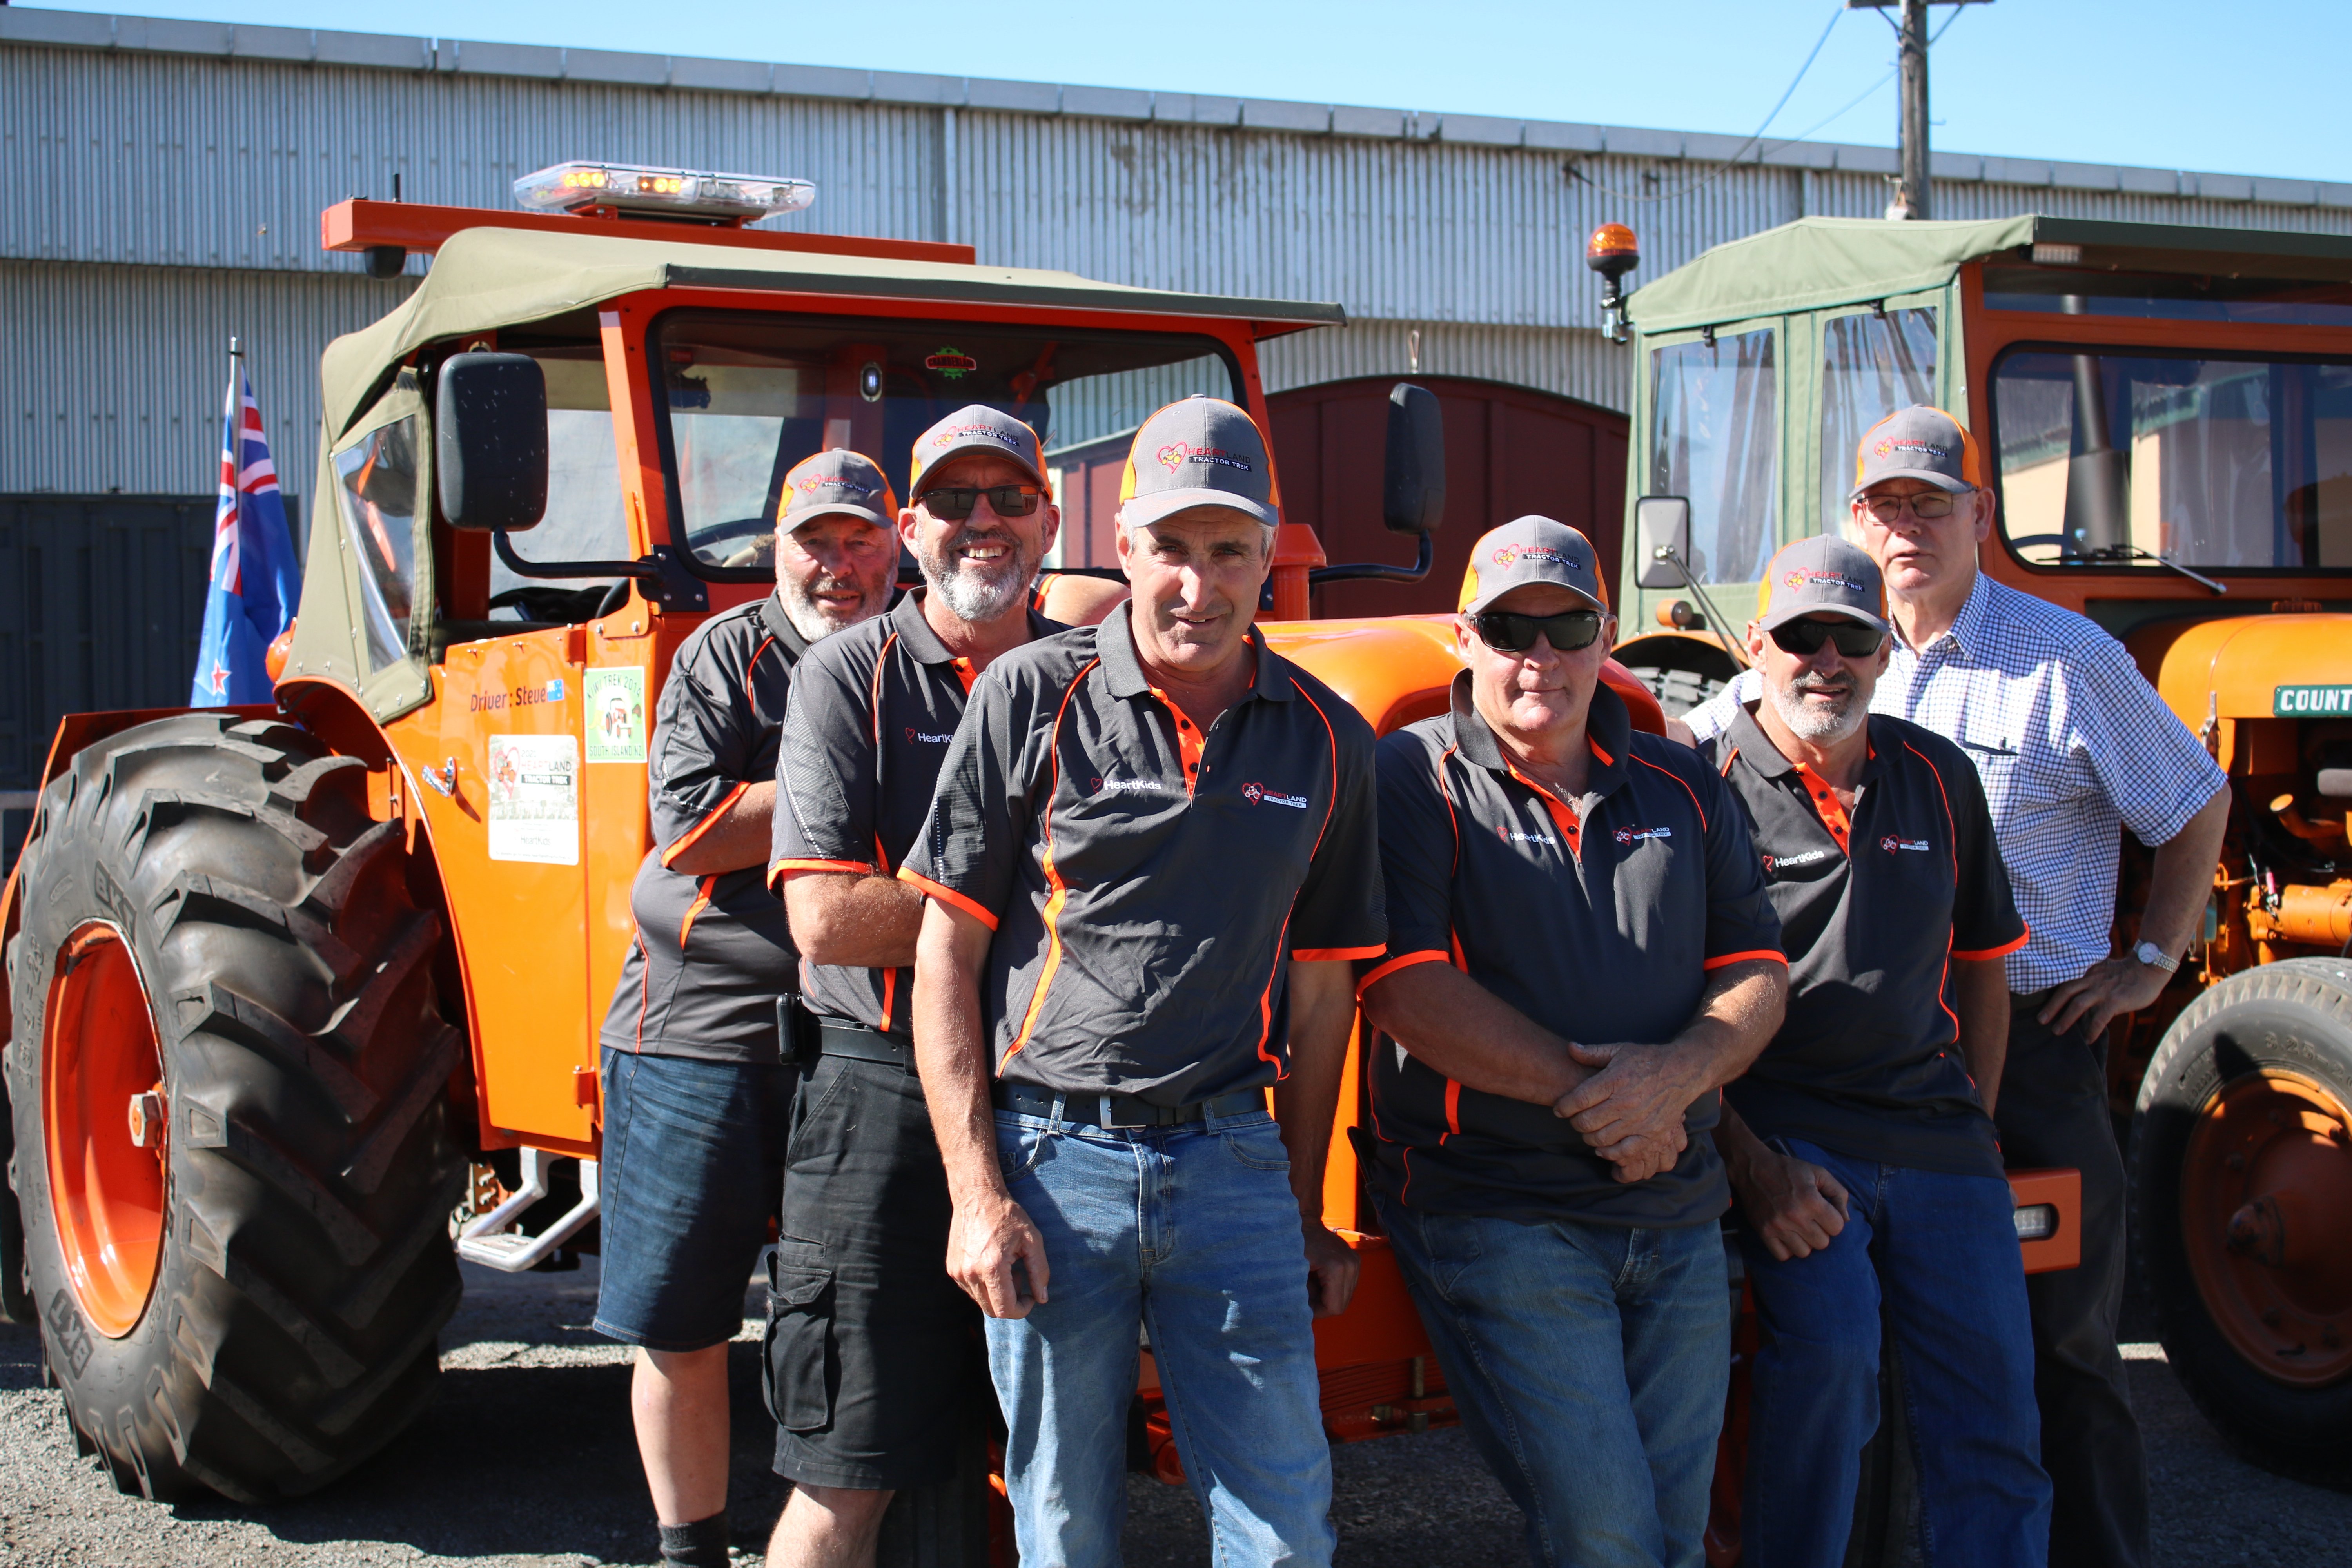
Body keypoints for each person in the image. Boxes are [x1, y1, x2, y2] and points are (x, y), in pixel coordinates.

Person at [1680, 407, 2229, 1568]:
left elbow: (2193, 801)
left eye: (1931, 504)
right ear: (1853, 528)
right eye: (1885, 508)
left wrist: (2150, 965)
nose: (1908, 526)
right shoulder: (1779, 673)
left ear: (1980, 514)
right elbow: (1674, 772)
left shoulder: (2065, 660)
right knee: (1845, 1359)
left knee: (2059, 1351)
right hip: (1816, 1066)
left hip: (2017, 1045)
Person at [898, 395, 1384, 1568]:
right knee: (1066, 1527)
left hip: (1232, 1166)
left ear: (1271, 553)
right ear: (1122, 547)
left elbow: (1322, 999)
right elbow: (944, 961)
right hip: (1055, 1169)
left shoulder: (1327, 737)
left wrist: (1311, 1206)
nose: (1198, 586)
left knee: (1284, 1529)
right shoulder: (1031, 697)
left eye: (1229, 552)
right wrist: (977, 1192)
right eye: (1171, 548)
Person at [1353, 516, 1789, 1568]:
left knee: (1676, 1539)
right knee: (1609, 1536)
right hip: (1505, 1207)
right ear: (1467, 639)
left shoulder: (1685, 786)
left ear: (1606, 641)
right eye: (1511, 628)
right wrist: (1610, 1107)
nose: (1538, 656)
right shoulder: (1413, 779)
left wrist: (1676, 1078)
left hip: (1674, 1205)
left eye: (1567, 626)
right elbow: (1407, 991)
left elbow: (1757, 977)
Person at [1697, 535, 2051, 1568]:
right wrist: (1750, 1165)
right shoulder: (1702, 789)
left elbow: (1986, 964)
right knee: (1833, 1362)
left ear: (1885, 650)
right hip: (1794, 1142)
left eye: (1850, 637)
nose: (1826, 661)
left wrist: (1977, 1124)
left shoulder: (1937, 777)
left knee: (1995, 1413)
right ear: (1756, 645)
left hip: (1940, 1141)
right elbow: (1665, 1011)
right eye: (1801, 636)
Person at [760, 406, 1068, 1568]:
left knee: (1049, 1461)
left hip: (1058, 1097)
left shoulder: (1094, 672)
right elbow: (827, 918)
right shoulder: (849, 675)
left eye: (1006, 499)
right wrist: (1043, 910)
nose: (981, 522)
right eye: (953, 501)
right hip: (880, 1103)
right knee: (852, 1472)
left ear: (1047, 517)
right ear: (911, 527)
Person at [593, 449, 900, 1568]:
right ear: (778, 550)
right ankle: (691, 1552)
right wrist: (839, 773)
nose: (839, 565)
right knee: (684, 1320)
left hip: (866, 1031)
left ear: (898, 543)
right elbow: (691, 830)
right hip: (707, 1027)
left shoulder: (925, 655)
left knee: (854, 1313)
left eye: (861, 540)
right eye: (814, 543)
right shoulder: (726, 656)